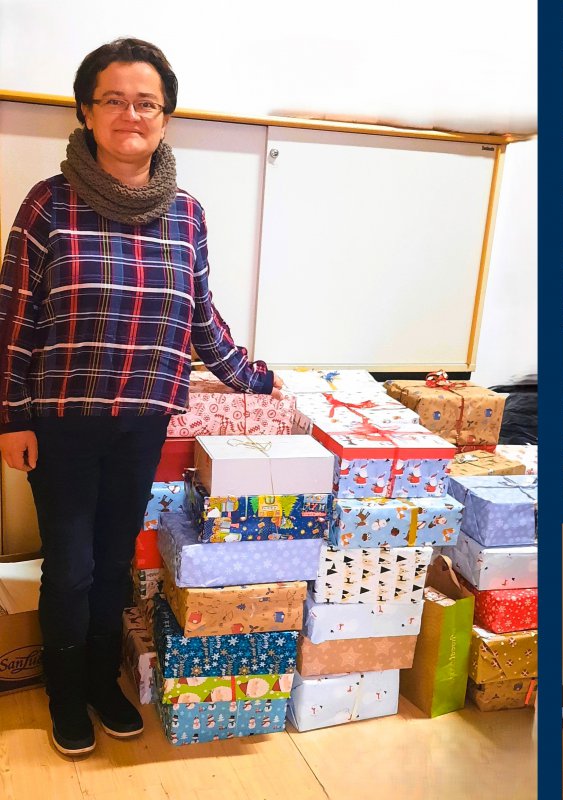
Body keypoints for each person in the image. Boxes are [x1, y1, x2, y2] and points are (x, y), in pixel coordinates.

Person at [0, 38, 282, 756]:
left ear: (165, 117)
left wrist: (252, 375)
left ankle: (102, 684)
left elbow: (198, 315)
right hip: (60, 425)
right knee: (70, 566)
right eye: (114, 99)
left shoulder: (186, 212)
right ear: (87, 111)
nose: (132, 113)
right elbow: (13, 317)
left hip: (144, 422)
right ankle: (65, 695)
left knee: (115, 561)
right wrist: (8, 416)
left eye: (146, 102)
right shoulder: (49, 204)